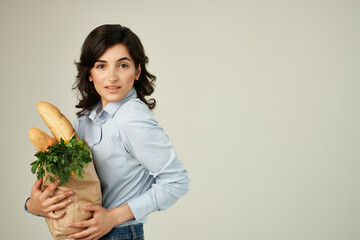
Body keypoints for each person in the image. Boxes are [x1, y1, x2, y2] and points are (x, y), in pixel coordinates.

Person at [25, 24, 190, 240]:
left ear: (137, 70)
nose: (112, 77)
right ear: (90, 74)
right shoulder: (86, 118)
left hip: (118, 234)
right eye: (101, 66)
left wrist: (112, 217)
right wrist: (34, 205)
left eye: (122, 65)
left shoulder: (131, 117)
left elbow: (176, 182)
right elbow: (73, 182)